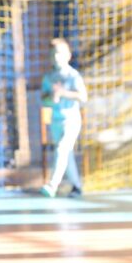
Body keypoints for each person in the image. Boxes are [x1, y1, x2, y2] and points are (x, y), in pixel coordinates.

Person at [41, 37, 87, 198]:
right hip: (56, 121)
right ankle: (77, 187)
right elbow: (44, 99)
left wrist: (63, 93)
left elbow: (83, 97)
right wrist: (52, 96)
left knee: (62, 149)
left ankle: (52, 184)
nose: (56, 57)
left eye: (59, 53)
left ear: (68, 55)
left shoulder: (73, 76)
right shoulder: (48, 77)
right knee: (66, 154)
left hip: (71, 120)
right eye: (53, 54)